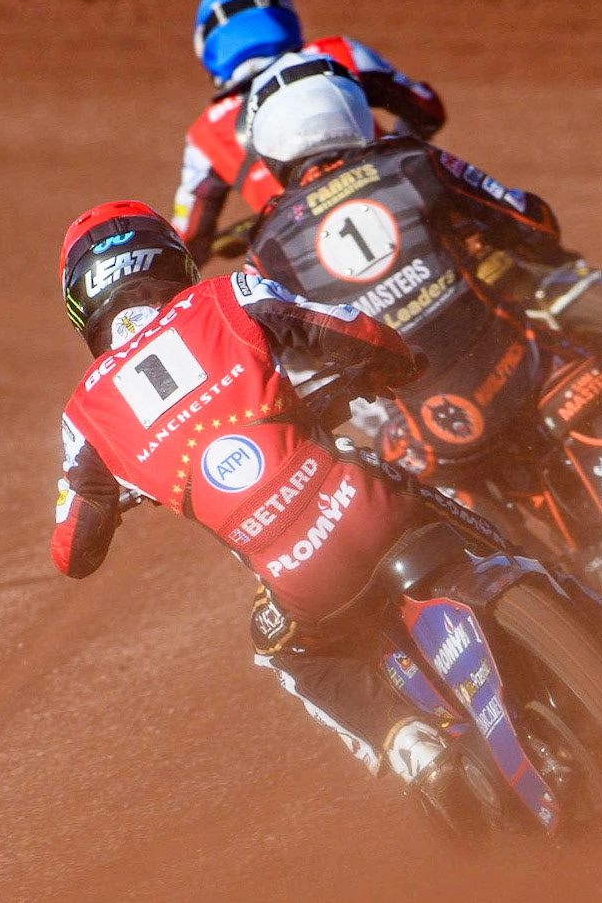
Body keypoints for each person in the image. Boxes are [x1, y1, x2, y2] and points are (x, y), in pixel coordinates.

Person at [51, 199, 487, 820]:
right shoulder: (229, 294)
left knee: (285, 649)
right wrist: (394, 362)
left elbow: (72, 552)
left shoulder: (83, 416)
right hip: (367, 507)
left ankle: (406, 741)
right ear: (174, 259)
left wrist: (114, 500)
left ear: (82, 307)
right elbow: (349, 329)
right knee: (443, 513)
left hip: (300, 582)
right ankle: (545, 592)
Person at [238, 51, 577, 483]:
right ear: (351, 108)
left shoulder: (266, 243)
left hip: (425, 422)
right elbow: (532, 221)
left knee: (419, 491)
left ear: (266, 145)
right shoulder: (410, 159)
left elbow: (269, 357)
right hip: (516, 354)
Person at [171, 0, 447, 265]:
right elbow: (427, 110)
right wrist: (396, 148)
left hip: (313, 263)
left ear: (209, 47)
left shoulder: (204, 136)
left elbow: (189, 240)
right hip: (405, 208)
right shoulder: (338, 53)